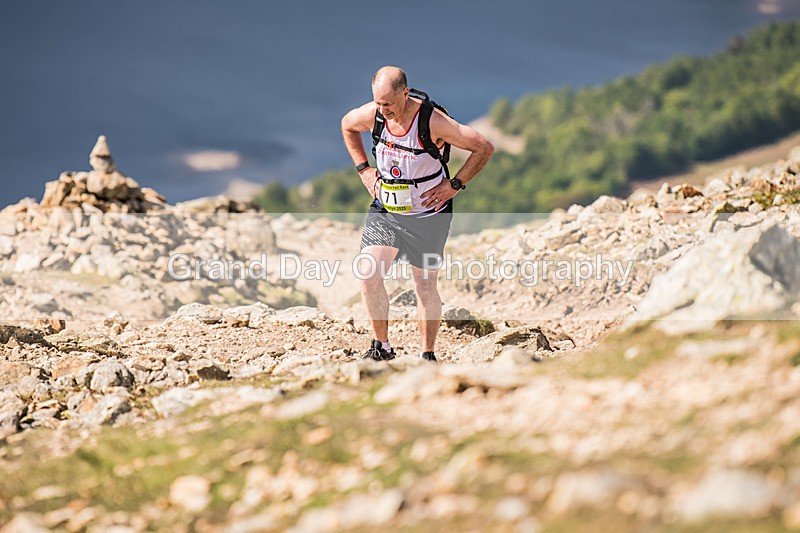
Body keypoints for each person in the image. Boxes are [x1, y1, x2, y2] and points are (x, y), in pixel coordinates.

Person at [341, 66, 494, 362]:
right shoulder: (373, 114)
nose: (383, 110)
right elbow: (347, 125)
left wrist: (455, 184)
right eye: (378, 102)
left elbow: (483, 147)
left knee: (424, 285)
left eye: (389, 103)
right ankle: (381, 347)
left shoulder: (433, 121)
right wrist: (364, 170)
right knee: (369, 272)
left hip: (428, 215)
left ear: (405, 93)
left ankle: (427, 355)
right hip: (387, 209)